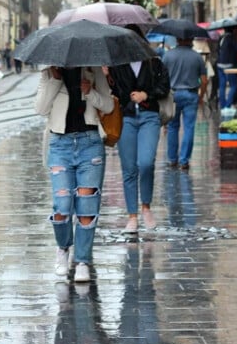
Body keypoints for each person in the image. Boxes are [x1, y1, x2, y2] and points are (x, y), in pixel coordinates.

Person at [35, 65, 114, 283]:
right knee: (62, 204)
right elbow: (40, 109)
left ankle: (82, 260)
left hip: (90, 143)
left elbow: (108, 106)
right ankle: (63, 248)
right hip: (60, 144)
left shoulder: (93, 69)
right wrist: (55, 79)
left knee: (87, 205)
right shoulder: (49, 73)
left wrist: (90, 92)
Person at [108, 29, 171, 234]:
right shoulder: (117, 65)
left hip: (149, 117)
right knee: (129, 168)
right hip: (126, 118)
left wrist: (147, 94)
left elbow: (165, 86)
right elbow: (114, 93)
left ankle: (146, 207)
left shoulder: (154, 62)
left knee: (146, 163)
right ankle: (132, 216)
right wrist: (108, 78)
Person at [161, 36, 208, 171]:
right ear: (190, 39)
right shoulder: (197, 57)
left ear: (177, 40)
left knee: (172, 127)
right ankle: (184, 160)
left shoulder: (167, 56)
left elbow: (161, 77)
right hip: (190, 94)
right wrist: (201, 96)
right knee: (189, 128)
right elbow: (204, 81)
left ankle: (172, 159)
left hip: (172, 95)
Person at [216, 24, 237, 109]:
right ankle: (228, 105)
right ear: (233, 30)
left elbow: (217, 50)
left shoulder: (221, 38)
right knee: (234, 85)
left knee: (222, 85)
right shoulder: (231, 38)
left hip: (219, 64)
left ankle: (222, 106)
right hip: (229, 65)